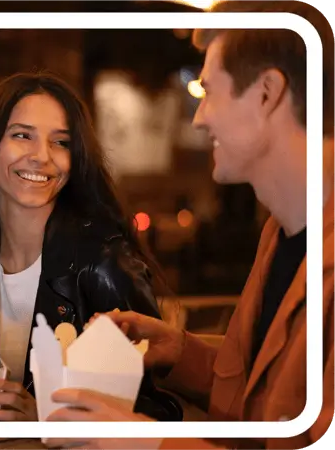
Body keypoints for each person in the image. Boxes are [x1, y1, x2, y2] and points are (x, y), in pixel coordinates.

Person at [44, 1, 335, 449]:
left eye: (209, 90)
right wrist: (180, 352)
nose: (200, 118)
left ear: (267, 92)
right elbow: (272, 401)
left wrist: (146, 442)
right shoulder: (281, 234)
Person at [0, 72, 182, 440]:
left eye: (60, 142)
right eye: (22, 135)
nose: (42, 156)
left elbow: (161, 413)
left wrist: (47, 416)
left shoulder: (105, 264)